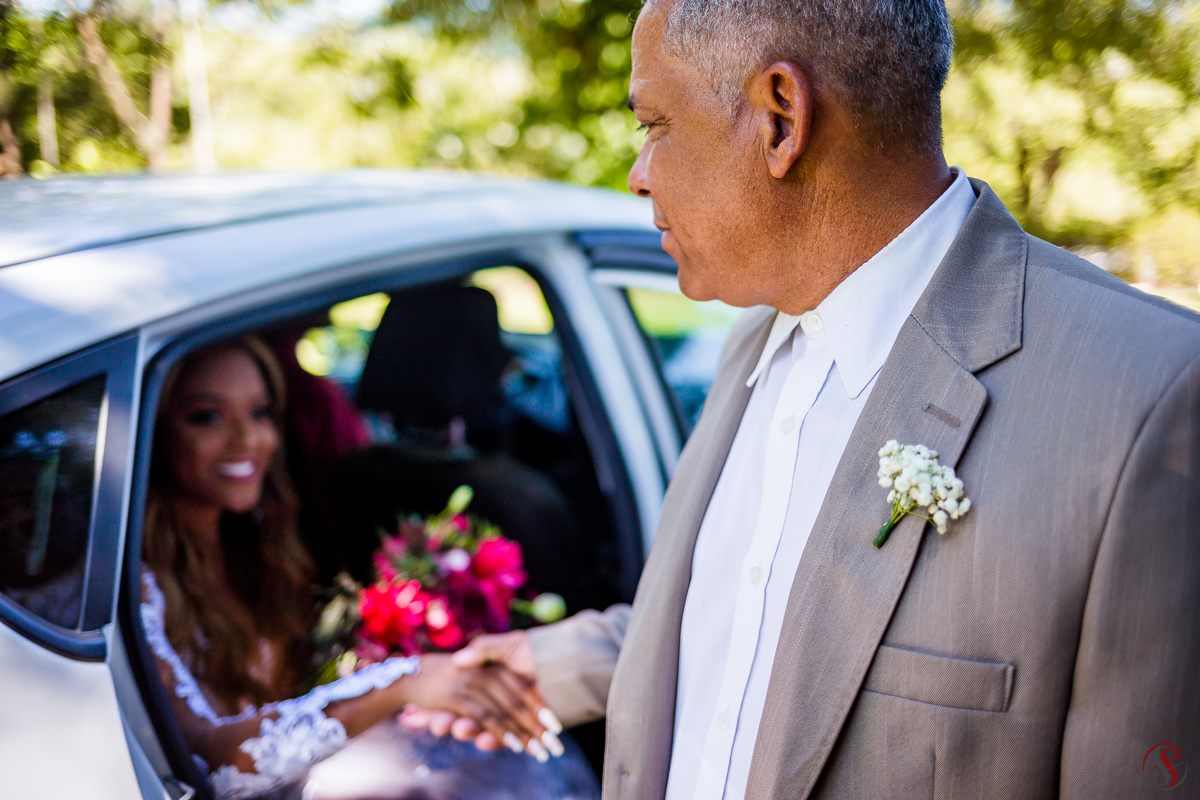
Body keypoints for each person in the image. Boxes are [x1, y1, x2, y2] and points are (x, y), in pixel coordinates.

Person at [428, 1, 1200, 798]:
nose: (638, 173)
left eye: (654, 123)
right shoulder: (758, 334)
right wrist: (550, 664)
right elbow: (766, 636)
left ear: (780, 119)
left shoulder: (1150, 399)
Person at [141, 336, 597, 799]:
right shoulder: (132, 589)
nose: (248, 440)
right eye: (207, 417)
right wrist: (401, 681)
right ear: (152, 430)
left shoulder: (260, 549)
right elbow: (204, 759)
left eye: (261, 414)